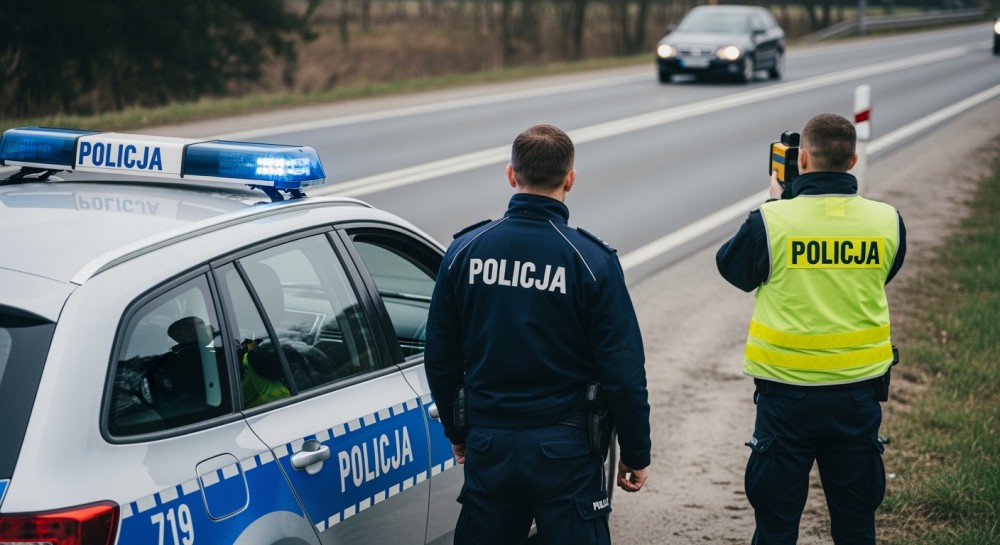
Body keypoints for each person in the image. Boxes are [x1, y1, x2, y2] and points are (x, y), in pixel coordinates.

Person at [425, 124, 651, 545]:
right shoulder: (590, 260)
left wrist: (459, 433)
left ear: (512, 175)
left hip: (488, 443)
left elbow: (440, 356)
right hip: (566, 448)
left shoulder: (465, 251)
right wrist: (636, 452)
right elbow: (623, 369)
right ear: (570, 179)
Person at [716, 113, 907, 545]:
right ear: (853, 160)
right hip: (858, 398)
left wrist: (774, 204)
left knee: (776, 526)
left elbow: (733, 270)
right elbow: (882, 273)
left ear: (800, 159)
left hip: (786, 400)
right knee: (856, 523)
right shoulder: (888, 221)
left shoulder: (773, 220)